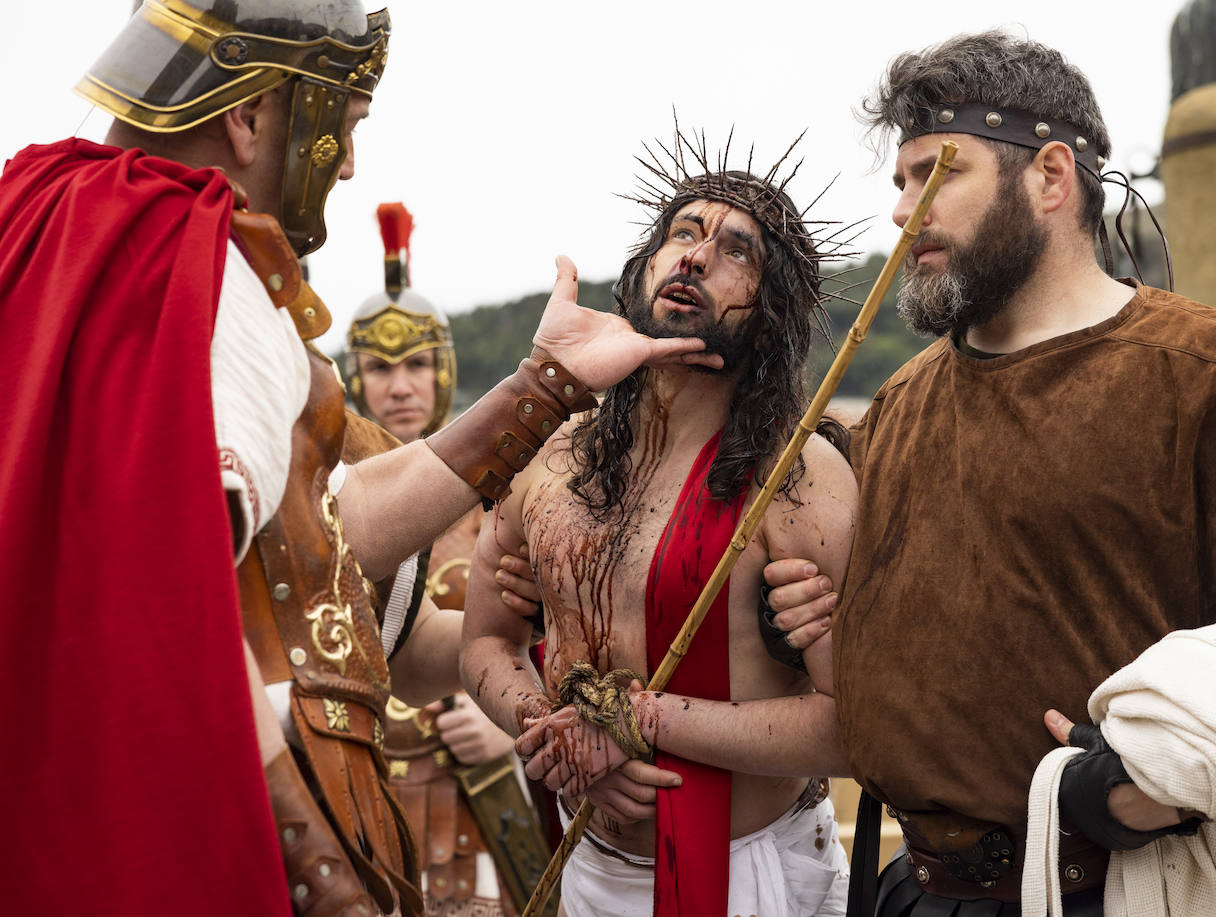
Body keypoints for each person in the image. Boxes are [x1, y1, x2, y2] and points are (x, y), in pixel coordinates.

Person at [0, 3, 715, 915]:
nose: (349, 160)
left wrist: (544, 386)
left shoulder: (41, 222)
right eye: (344, 120)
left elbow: (320, 535)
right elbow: (166, 608)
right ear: (252, 116)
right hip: (190, 845)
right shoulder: (196, 272)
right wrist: (320, 873)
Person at [764, 30, 1216, 916]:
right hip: (912, 893)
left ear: (1051, 177)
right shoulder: (893, 408)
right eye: (898, 182)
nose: (902, 212)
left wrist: (1147, 778)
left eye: (938, 172)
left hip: (1139, 888)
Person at [459, 142, 858, 917]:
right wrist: (553, 734)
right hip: (589, 862)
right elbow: (485, 643)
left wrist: (636, 723)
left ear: (771, 307)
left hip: (755, 874)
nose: (698, 256)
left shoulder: (798, 479)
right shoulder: (550, 457)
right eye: (683, 232)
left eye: (735, 249)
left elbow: (852, 728)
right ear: (644, 265)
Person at [345, 201, 543, 916]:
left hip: (482, 810)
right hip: (359, 803)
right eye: (379, 366)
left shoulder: (505, 495)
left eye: (417, 364)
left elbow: (558, 634)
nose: (399, 385)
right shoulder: (324, 493)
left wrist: (507, 725)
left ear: (444, 368)